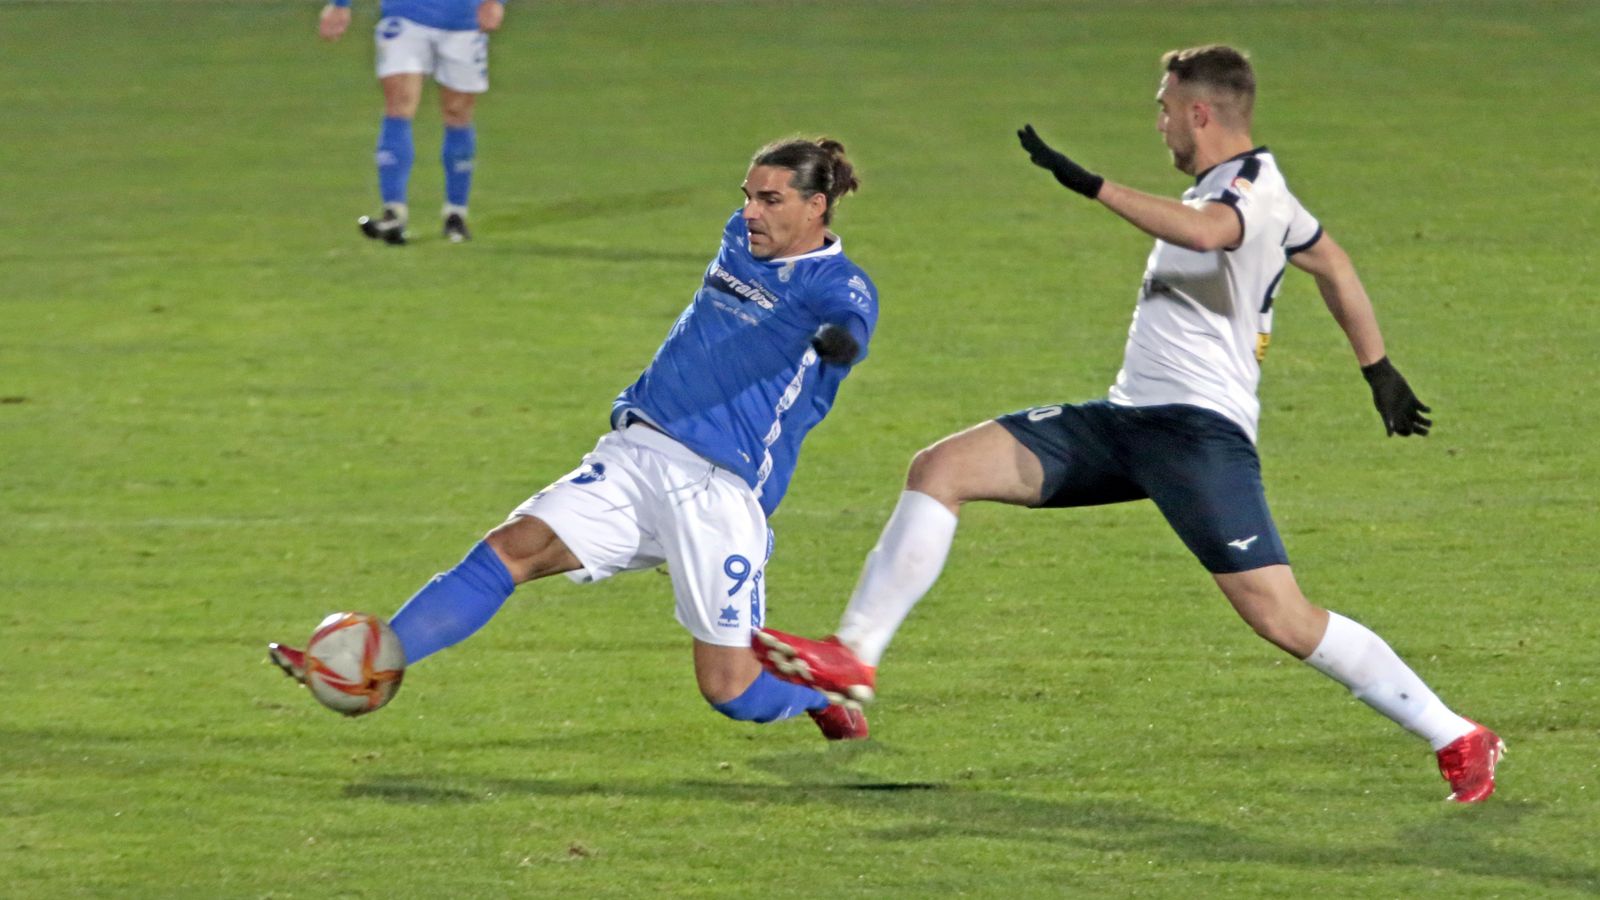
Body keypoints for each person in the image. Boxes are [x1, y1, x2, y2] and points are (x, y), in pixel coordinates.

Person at [755, 46, 1505, 800]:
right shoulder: (1240, 186)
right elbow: (1333, 264)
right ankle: (852, 659)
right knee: (940, 469)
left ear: (1199, 112)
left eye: (1164, 107)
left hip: (1194, 435)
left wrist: (1091, 184)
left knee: (1281, 615)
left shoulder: (1253, 188)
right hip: (1125, 419)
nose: (1160, 123)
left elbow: (1209, 233)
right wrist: (1377, 369)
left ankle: (1458, 735)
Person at [270, 137, 878, 740]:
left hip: (715, 487)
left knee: (731, 691)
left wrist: (838, 343)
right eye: (747, 196)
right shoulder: (740, 238)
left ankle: (818, 696)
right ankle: (365, 668)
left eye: (770, 199)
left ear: (816, 206)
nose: (750, 211)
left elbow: (849, 322)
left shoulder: (838, 285)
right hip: (637, 451)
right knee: (513, 548)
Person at [317, 0, 504, 244]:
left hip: (464, 20)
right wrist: (340, 5)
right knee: (399, 103)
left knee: (457, 112)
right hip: (404, 14)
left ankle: (456, 213)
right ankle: (393, 212)